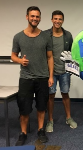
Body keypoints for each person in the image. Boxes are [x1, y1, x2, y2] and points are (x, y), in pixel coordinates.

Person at [11, 6, 54, 146]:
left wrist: (51, 76)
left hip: (42, 77)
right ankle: (23, 133)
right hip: (26, 78)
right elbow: (13, 56)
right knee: (24, 107)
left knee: (41, 106)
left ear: (40, 18)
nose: (35, 19)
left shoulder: (46, 37)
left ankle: (41, 130)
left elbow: (50, 58)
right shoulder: (18, 37)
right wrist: (20, 61)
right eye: (32, 16)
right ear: (27, 17)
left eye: (37, 17)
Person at [44, 10, 77, 133]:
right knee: (51, 96)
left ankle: (68, 118)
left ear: (63, 21)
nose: (58, 21)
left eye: (60, 19)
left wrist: (71, 61)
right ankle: (50, 120)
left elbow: (72, 53)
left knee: (65, 94)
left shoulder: (67, 35)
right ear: (52, 20)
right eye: (55, 19)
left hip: (64, 72)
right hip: (50, 72)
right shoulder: (46, 35)